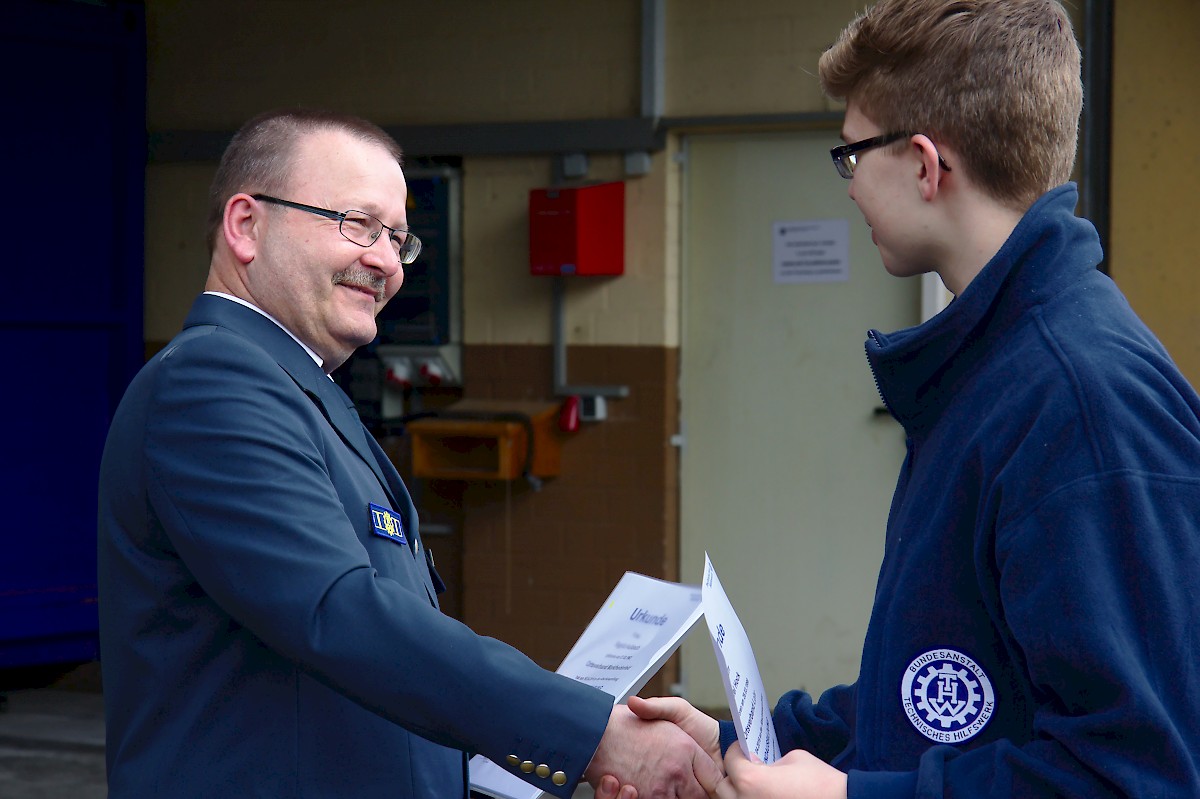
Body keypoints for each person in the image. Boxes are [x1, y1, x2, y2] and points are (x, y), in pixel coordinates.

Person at [599, 1, 1200, 797]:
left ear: (924, 163)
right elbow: (943, 696)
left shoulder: (1083, 402)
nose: (848, 190)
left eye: (851, 157)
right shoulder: (993, 370)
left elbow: (1136, 775)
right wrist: (740, 741)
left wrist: (849, 796)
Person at [97, 108, 720, 799]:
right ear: (246, 225)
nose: (386, 261)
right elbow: (340, 611)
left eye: (398, 238)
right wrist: (590, 733)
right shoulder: (211, 382)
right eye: (357, 224)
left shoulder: (296, 387)